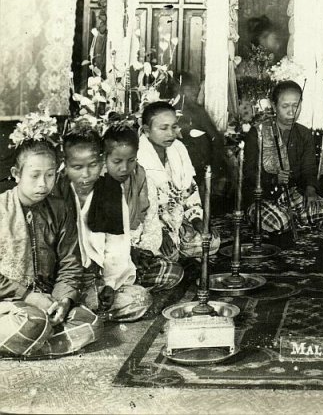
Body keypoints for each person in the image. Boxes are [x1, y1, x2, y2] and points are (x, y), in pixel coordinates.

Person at [0, 135, 100, 356]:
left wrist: (63, 301)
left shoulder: (59, 209)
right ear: (16, 175)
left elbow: (70, 263)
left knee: (90, 322)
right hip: (8, 302)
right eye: (34, 176)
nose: (43, 184)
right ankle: (38, 334)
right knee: (32, 321)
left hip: (48, 299)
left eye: (50, 175)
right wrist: (28, 297)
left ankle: (29, 340)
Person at [55, 126, 152, 322]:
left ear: (101, 161)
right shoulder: (57, 191)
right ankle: (76, 308)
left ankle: (82, 311)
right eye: (77, 167)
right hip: (62, 278)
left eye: (92, 165)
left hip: (96, 275)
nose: (86, 174)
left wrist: (109, 283)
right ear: (65, 165)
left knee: (140, 299)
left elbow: (117, 243)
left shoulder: (110, 191)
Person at [138, 101, 218, 274]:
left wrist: (196, 219)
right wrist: (159, 232)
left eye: (174, 127)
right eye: (163, 128)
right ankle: (176, 259)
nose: (171, 134)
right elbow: (139, 208)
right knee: (162, 252)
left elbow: (189, 189)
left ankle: (180, 257)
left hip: (176, 219)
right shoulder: (137, 155)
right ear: (145, 130)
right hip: (149, 227)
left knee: (212, 240)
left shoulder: (178, 149)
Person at [243, 81, 323, 235]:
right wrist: (274, 179)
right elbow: (249, 174)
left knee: (320, 209)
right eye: (285, 106)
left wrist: (310, 190)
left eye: (296, 106)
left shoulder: (303, 133)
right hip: (263, 196)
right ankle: (285, 218)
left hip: (291, 193)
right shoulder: (258, 133)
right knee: (278, 223)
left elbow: (309, 168)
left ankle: (291, 217)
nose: (291, 112)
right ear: (274, 107)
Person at [176, 71, 228, 197]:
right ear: (180, 90)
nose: (195, 92)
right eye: (189, 89)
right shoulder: (169, 111)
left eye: (196, 88)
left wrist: (213, 171)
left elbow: (216, 139)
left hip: (198, 169)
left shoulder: (197, 112)